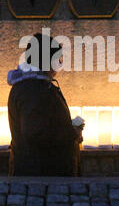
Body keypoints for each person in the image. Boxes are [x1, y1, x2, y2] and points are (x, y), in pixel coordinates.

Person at [7, 33, 83, 176]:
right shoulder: (32, 90)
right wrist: (71, 133)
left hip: (42, 171)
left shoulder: (33, 86)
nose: (59, 65)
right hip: (43, 174)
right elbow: (34, 132)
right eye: (57, 59)